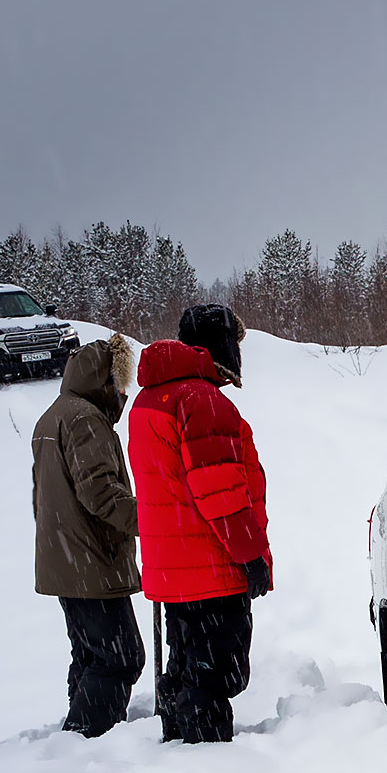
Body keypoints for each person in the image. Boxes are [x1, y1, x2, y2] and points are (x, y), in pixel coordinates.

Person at [129, 303, 272, 743]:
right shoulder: (202, 402)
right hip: (210, 569)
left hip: (177, 571)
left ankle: (179, 752)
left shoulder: (153, 398)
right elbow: (223, 496)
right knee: (213, 678)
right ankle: (206, 764)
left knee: (187, 667)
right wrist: (252, 557)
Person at [32, 333, 145, 737]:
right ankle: (85, 737)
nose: (123, 394)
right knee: (121, 658)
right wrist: (150, 520)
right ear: (105, 380)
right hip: (92, 562)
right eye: (120, 384)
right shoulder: (85, 420)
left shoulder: (55, 415)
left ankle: (77, 743)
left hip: (66, 560)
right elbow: (99, 491)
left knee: (90, 655)